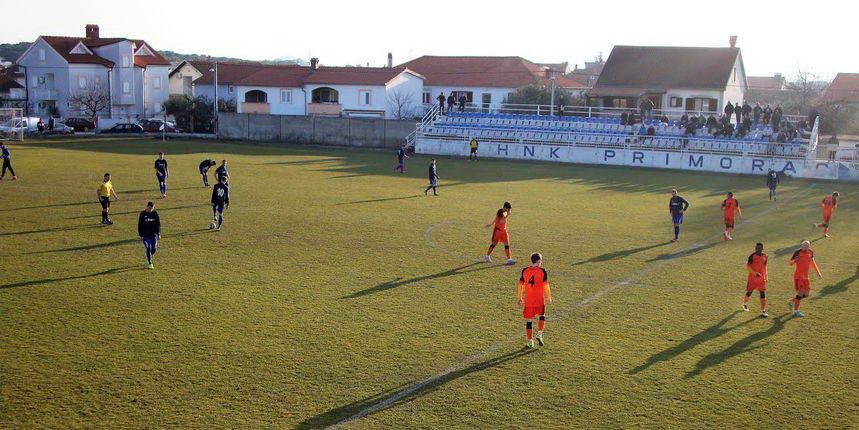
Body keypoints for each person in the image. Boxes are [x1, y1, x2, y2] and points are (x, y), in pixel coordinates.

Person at [517, 252, 552, 349]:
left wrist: (519, 297)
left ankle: (530, 342)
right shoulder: (543, 271)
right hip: (539, 299)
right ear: (539, 261)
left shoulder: (524, 270)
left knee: (529, 321)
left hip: (529, 300)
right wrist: (549, 297)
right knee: (542, 316)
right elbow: (546, 285)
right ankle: (540, 333)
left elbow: (520, 285)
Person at [788, 240, 822, 318]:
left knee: (806, 295)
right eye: (802, 246)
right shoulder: (797, 252)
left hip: (806, 277)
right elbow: (790, 263)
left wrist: (818, 273)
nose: (803, 248)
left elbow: (813, 263)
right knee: (800, 294)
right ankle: (796, 311)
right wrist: (794, 261)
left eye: (806, 246)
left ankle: (792, 301)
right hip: (798, 277)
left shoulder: (810, 253)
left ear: (808, 247)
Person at [743, 242, 769, 318]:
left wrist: (766, 276)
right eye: (756, 248)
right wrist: (755, 273)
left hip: (761, 280)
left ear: (762, 249)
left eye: (759, 248)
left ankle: (763, 310)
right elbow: (748, 267)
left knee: (762, 293)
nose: (757, 249)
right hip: (752, 279)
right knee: (749, 293)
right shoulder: (752, 256)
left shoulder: (765, 256)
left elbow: (765, 267)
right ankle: (744, 303)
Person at [138, 201, 161, 269]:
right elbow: (140, 225)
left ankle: (149, 256)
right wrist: (141, 235)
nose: (150, 209)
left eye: (152, 208)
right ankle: (150, 263)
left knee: (154, 249)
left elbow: (158, 224)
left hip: (153, 235)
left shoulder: (155, 213)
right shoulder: (142, 214)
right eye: (150, 208)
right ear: (147, 206)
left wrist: (158, 233)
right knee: (148, 247)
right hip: (145, 235)